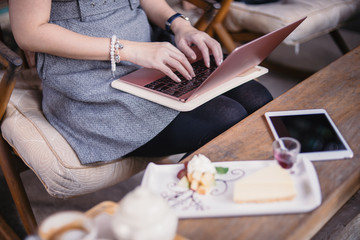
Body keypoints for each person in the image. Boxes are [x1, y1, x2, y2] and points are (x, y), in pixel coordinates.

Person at [9, 0, 272, 164]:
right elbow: (29, 32)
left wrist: (180, 26)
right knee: (228, 117)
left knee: (257, 99)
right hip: (88, 81)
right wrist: (129, 50)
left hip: (152, 55)